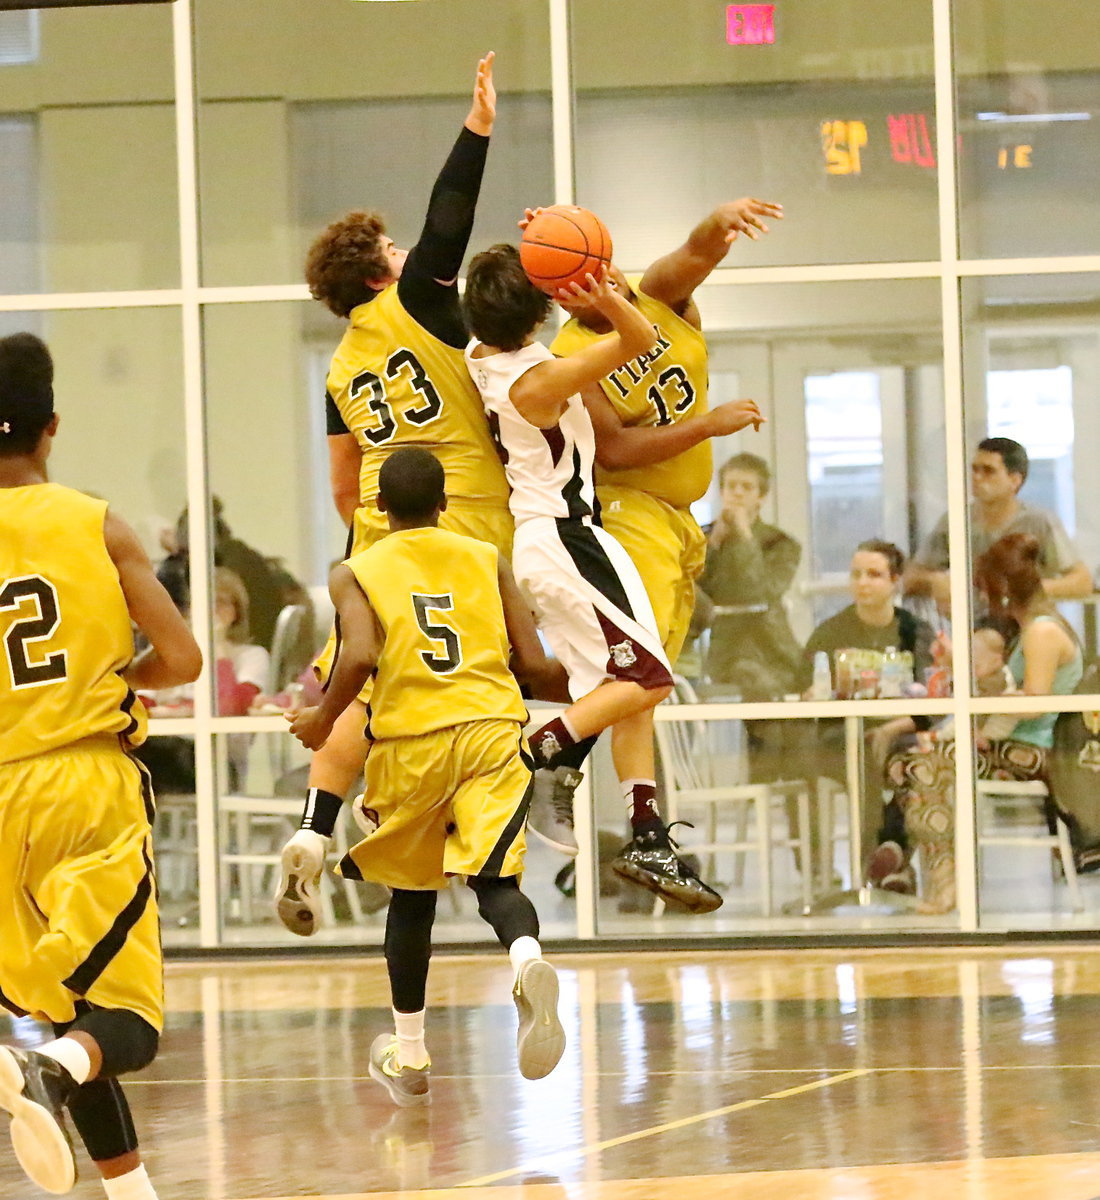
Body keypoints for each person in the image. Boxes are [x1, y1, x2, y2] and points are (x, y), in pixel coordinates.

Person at [276, 53, 515, 936]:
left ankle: (315, 827)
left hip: (374, 535)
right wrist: (478, 126)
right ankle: (552, 788)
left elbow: (344, 486)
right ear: (382, 273)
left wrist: (376, 552)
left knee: (370, 691)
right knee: (511, 672)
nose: (408, 253)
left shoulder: (339, 365)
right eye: (393, 251)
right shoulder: (417, 299)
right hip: (467, 520)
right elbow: (448, 214)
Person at [287, 448, 568, 1099]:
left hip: (413, 741)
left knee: (412, 898)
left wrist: (323, 718)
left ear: (378, 509)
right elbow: (535, 662)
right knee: (496, 883)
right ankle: (527, 960)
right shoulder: (483, 558)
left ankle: (410, 1053)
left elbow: (358, 653)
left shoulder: (354, 569)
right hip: (493, 733)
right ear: (445, 505)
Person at [0, 333, 203, 1196]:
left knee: (60, 1000)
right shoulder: (93, 520)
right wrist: (126, 675)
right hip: (83, 785)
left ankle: (132, 1191)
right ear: (51, 429)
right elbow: (184, 656)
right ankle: (49, 1069)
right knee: (125, 1022)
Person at [463, 245, 721, 914]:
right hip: (564, 538)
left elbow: (513, 300)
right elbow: (640, 336)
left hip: (565, 539)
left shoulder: (482, 353)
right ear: (542, 304)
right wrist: (599, 287)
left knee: (630, 690)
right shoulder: (537, 382)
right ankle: (531, 754)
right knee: (649, 679)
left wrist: (543, 248)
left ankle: (645, 832)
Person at [549, 198, 780, 674]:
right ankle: (560, 742)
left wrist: (720, 221)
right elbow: (612, 451)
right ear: (560, 297)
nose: (599, 278)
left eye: (600, 264)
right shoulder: (568, 355)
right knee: (641, 672)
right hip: (631, 510)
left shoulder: (655, 292)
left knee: (659, 673)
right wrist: (706, 426)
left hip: (683, 516)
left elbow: (698, 252)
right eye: (580, 276)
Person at [884, 532, 1083, 912]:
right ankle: (921, 864)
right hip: (1013, 744)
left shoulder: (1042, 632)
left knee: (922, 765)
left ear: (1003, 590)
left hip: (1034, 751)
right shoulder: (1038, 627)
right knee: (909, 760)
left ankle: (942, 882)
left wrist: (980, 700)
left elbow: (1033, 704)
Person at [800, 540, 937, 879]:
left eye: (874, 575)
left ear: (895, 581)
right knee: (862, 760)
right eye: (856, 574)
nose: (862, 583)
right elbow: (804, 693)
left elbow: (935, 700)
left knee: (920, 766)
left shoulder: (914, 631)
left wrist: (891, 729)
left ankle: (891, 859)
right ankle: (878, 864)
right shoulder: (830, 632)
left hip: (900, 735)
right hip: (841, 738)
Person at [903, 437, 1091, 614]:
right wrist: (935, 581)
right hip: (969, 629)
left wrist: (1025, 590)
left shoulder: (1039, 521)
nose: (977, 477)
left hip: (1025, 626)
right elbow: (912, 576)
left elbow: (1082, 581)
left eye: (988, 471)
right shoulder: (956, 521)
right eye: (974, 469)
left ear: (1014, 480)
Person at [695, 452, 802, 699]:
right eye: (731, 486)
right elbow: (696, 586)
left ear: (761, 497)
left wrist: (744, 536)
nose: (738, 494)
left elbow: (761, 591)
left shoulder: (781, 543)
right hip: (723, 648)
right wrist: (714, 544)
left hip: (769, 647)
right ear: (721, 492)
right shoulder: (704, 538)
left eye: (747, 487)